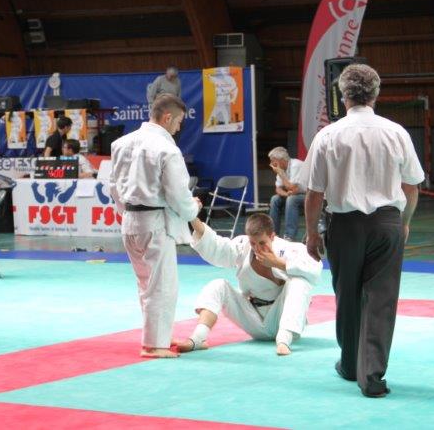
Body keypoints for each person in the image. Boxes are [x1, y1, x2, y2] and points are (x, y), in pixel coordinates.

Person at [304, 64, 425, 398]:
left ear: (343, 96)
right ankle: (371, 376)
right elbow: (412, 187)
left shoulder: (328, 135)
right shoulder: (396, 132)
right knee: (380, 300)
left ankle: (349, 363)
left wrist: (312, 233)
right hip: (387, 222)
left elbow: (314, 193)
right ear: (375, 94)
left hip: (344, 226)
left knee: (347, 295)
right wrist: (404, 222)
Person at [109, 93, 202, 358]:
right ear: (167, 117)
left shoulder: (120, 144)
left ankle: (158, 336)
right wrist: (193, 208)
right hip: (155, 223)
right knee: (161, 286)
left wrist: (127, 211)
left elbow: (113, 187)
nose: (179, 128)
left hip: (130, 221)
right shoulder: (167, 149)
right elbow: (178, 194)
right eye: (179, 121)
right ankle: (154, 345)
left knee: (146, 285)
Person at [176, 213, 321, 356]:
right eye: (253, 243)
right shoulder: (243, 246)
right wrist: (192, 216)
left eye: (262, 243)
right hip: (253, 318)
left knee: (299, 282)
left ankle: (283, 341)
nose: (257, 248)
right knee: (218, 285)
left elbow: (314, 268)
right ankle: (198, 338)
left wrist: (278, 263)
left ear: (272, 236)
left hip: (282, 318)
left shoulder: (289, 249)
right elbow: (216, 246)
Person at [267, 146, 306, 241]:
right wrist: (286, 194)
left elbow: (292, 187)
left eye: (273, 161)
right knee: (275, 199)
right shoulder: (281, 168)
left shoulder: (296, 165)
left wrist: (281, 173)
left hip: (309, 195)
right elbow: (278, 189)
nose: (271, 164)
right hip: (294, 194)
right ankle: (273, 234)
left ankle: (289, 236)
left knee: (292, 200)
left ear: (281, 160)